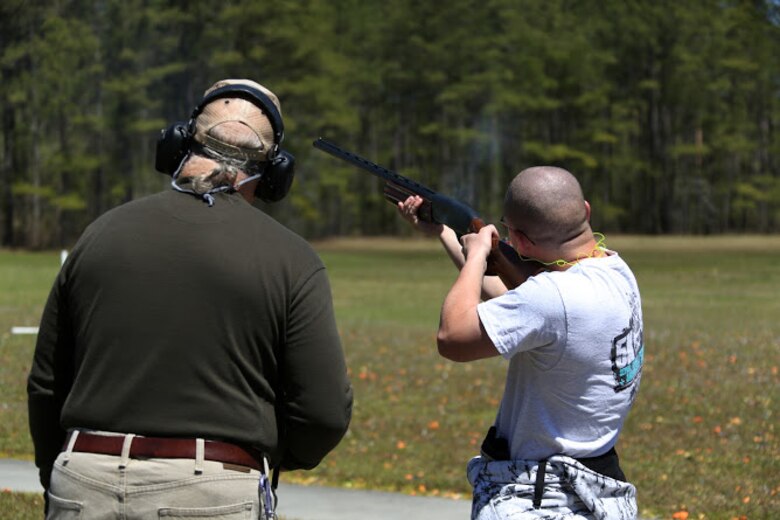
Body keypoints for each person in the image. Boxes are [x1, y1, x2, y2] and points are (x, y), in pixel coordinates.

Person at [27, 78, 353, 519]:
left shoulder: (100, 233)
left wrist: (56, 475)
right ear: (275, 173)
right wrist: (258, 456)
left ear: (178, 144)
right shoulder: (294, 260)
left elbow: (47, 383)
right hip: (212, 492)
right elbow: (324, 413)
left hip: (83, 481)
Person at [395, 166, 643, 519]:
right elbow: (513, 306)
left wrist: (479, 256)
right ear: (585, 210)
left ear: (520, 241)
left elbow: (452, 338)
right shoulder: (614, 271)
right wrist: (444, 233)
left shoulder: (553, 297)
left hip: (538, 498)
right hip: (596, 484)